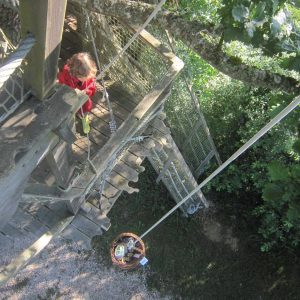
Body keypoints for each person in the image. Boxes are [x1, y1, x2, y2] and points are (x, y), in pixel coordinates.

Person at [58, 52, 97, 117]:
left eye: (88, 77)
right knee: (68, 106)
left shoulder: (88, 74)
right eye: (83, 78)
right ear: (76, 74)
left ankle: (82, 111)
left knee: (85, 105)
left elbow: (92, 87)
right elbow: (63, 87)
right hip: (71, 97)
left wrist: (87, 92)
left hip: (83, 98)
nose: (86, 79)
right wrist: (73, 92)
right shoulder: (66, 76)